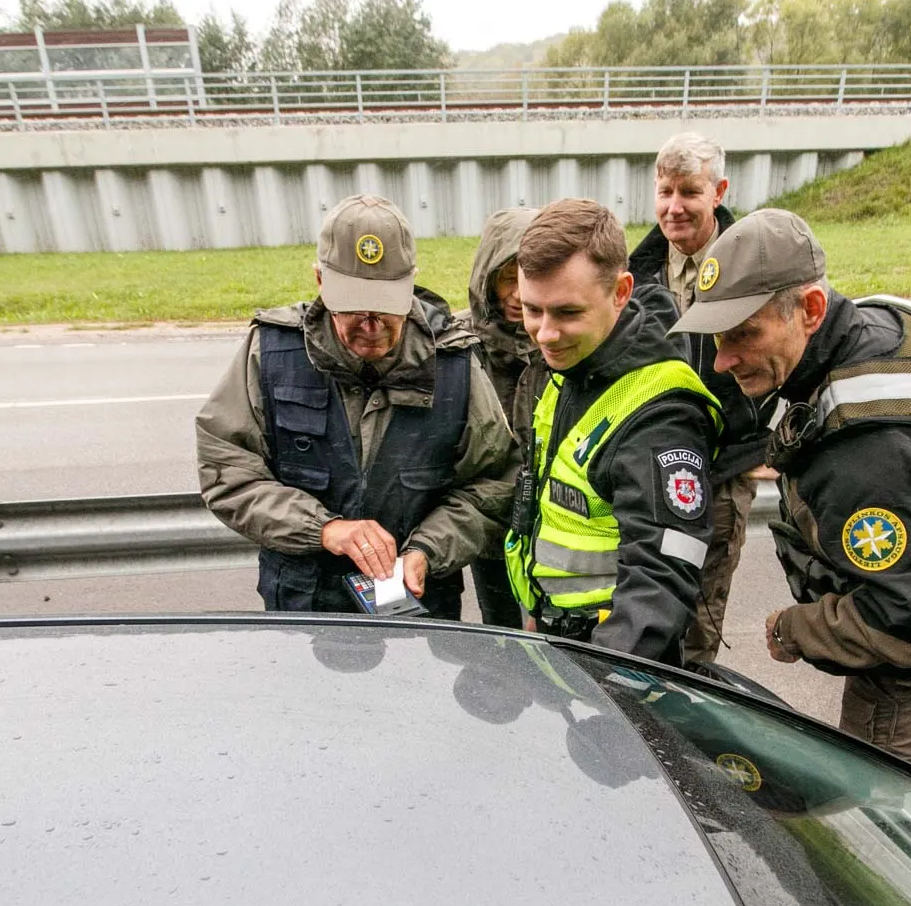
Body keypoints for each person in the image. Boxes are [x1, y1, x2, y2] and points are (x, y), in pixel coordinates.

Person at [671, 208, 911, 781]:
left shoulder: (869, 454)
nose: (723, 359)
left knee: (880, 820)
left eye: (744, 333)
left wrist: (798, 627)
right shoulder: (883, 326)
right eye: (717, 336)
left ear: (810, 309)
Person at [196, 194, 518, 620]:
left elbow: (493, 484)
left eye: (386, 306)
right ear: (319, 280)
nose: (371, 323)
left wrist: (428, 550)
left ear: (411, 282)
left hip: (420, 609)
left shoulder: (455, 362)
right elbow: (228, 471)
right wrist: (323, 529)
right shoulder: (271, 352)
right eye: (353, 303)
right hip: (304, 608)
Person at [504, 198, 722, 666]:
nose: (544, 334)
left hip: (615, 661)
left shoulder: (661, 414)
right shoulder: (572, 363)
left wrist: (606, 682)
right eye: (531, 310)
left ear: (622, 292)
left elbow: (661, 577)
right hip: (558, 639)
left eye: (566, 313)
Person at [628, 132, 775, 669]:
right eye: (664, 191)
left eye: (689, 192)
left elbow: (786, 353)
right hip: (649, 470)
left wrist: (762, 440)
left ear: (719, 192)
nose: (673, 207)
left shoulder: (758, 263)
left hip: (719, 471)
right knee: (649, 593)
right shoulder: (635, 269)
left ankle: (691, 712)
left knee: (700, 604)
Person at [455, 207, 551, 629]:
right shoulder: (459, 347)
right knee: (501, 638)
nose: (517, 292)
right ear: (486, 278)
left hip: (554, 534)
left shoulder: (559, 343)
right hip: (489, 532)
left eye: (529, 276)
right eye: (507, 277)